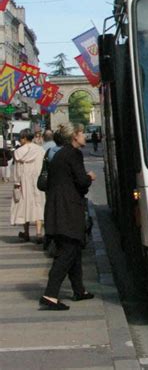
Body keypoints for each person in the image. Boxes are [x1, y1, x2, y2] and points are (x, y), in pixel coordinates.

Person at [40, 122, 96, 311]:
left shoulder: (60, 154)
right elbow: (81, 182)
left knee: (74, 250)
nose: (84, 136)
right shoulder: (73, 154)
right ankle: (50, 294)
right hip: (68, 211)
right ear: (74, 136)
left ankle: (78, 290)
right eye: (82, 133)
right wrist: (90, 177)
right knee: (67, 252)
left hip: (57, 209)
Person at [10, 128, 46, 243]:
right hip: (38, 181)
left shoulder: (19, 152)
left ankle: (26, 233)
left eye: (20, 138)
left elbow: (17, 170)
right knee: (38, 204)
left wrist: (16, 183)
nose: (19, 140)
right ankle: (39, 232)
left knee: (25, 205)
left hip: (24, 181)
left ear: (24, 138)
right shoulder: (40, 150)